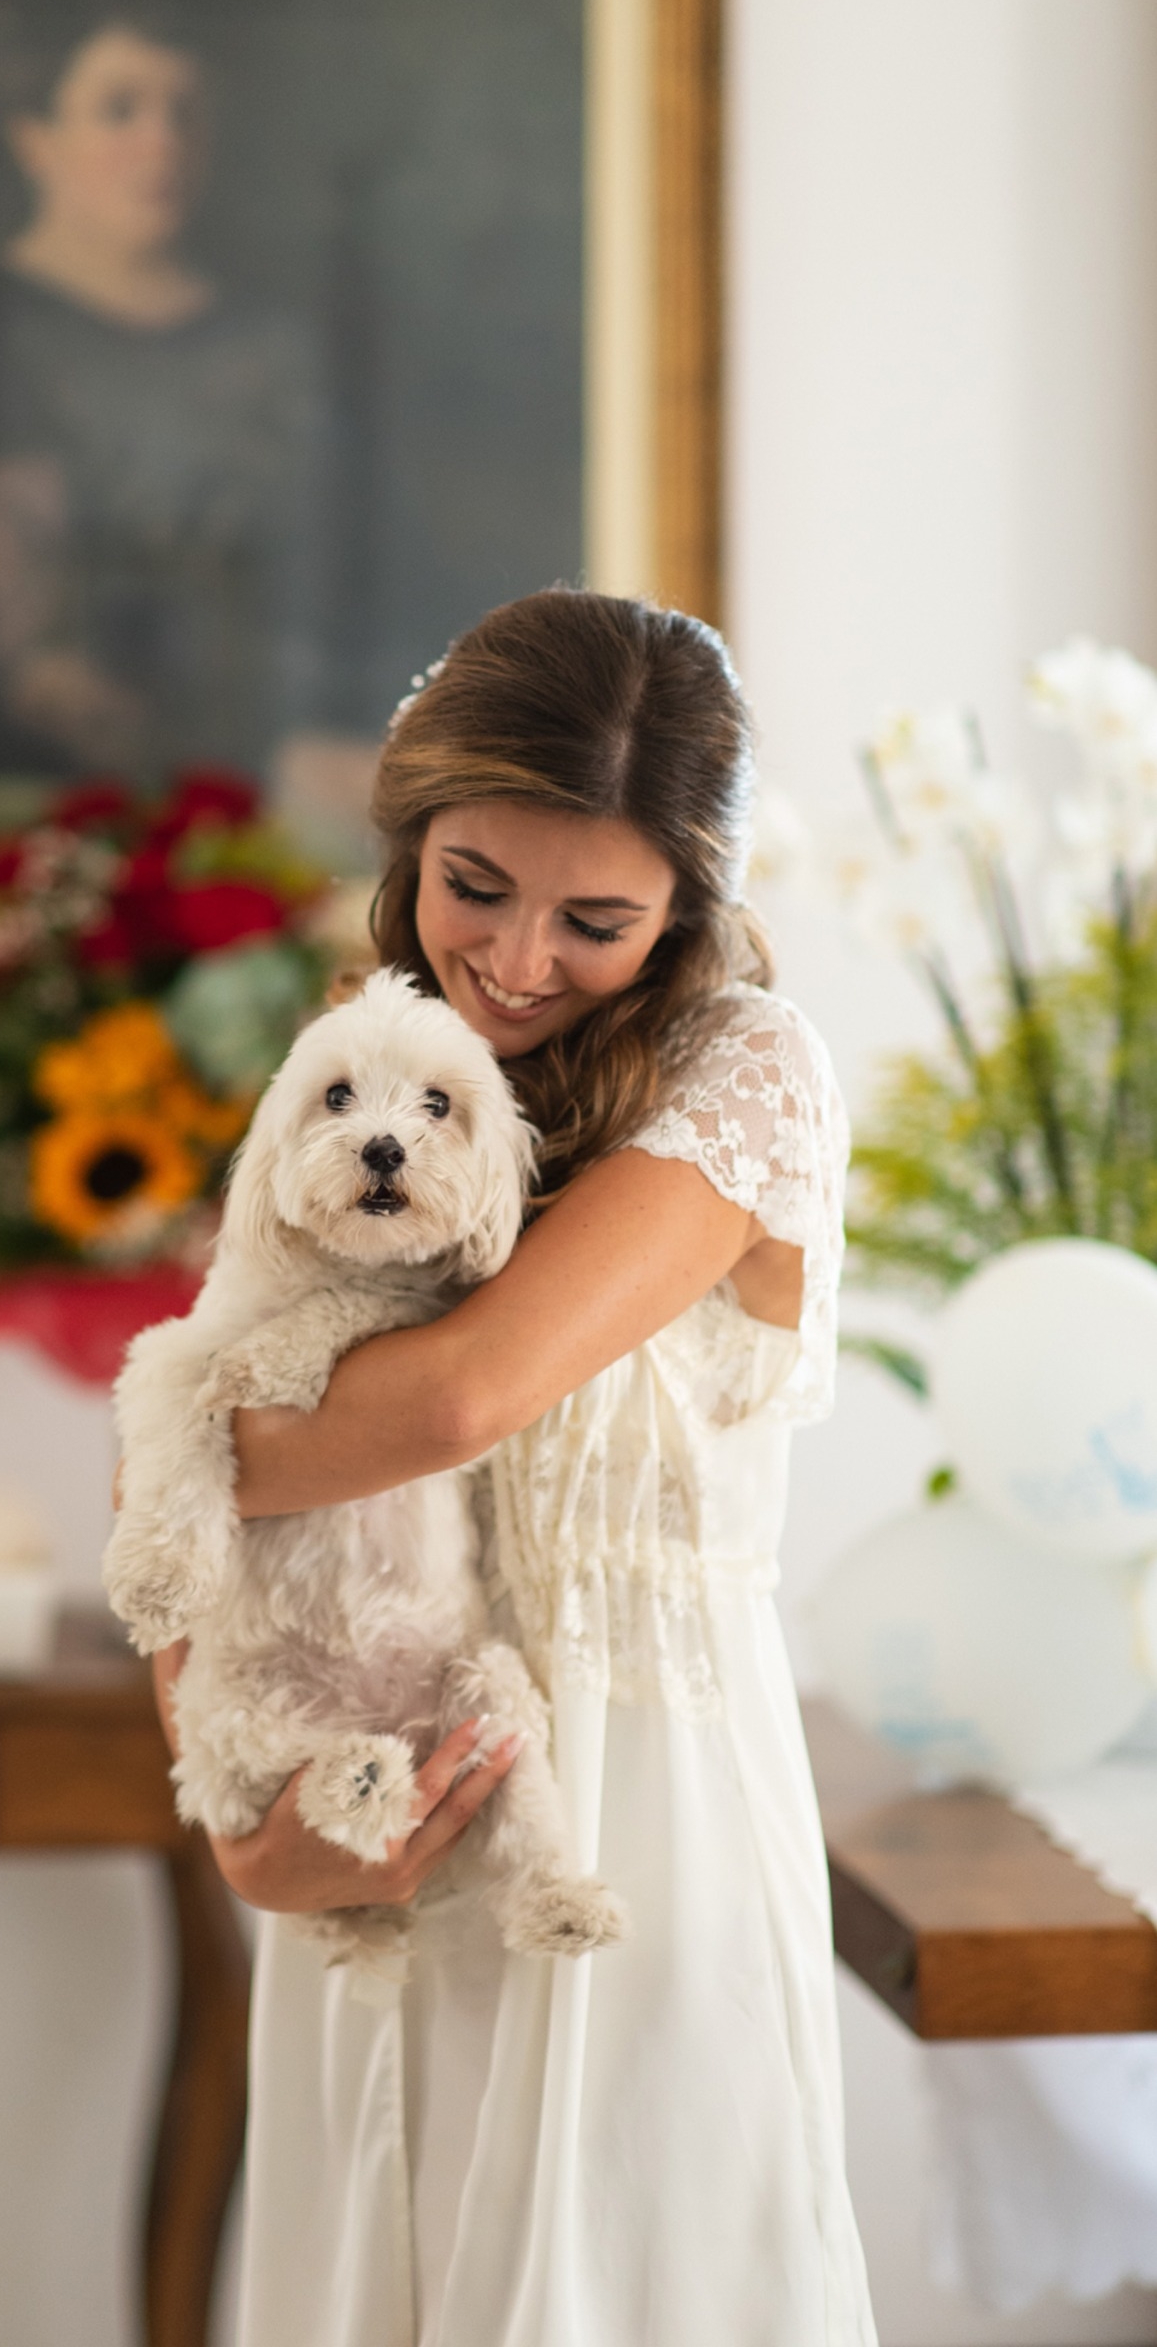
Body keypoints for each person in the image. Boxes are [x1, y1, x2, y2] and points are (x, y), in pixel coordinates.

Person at [152, 589, 879, 2346]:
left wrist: (177, 1435)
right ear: (407, 837)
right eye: (472, 885)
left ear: (684, 912)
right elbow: (192, 1484)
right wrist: (232, 1814)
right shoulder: (369, 1084)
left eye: (595, 919)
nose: (517, 958)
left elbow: (458, 1395)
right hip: (371, 1814)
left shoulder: (740, 1077)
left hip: (637, 1828)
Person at [0, 2, 325, 784]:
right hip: (29, 779)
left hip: (255, 772)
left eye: (184, 112)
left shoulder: (269, 344)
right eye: (119, 111)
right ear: (34, 139)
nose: (161, 142)